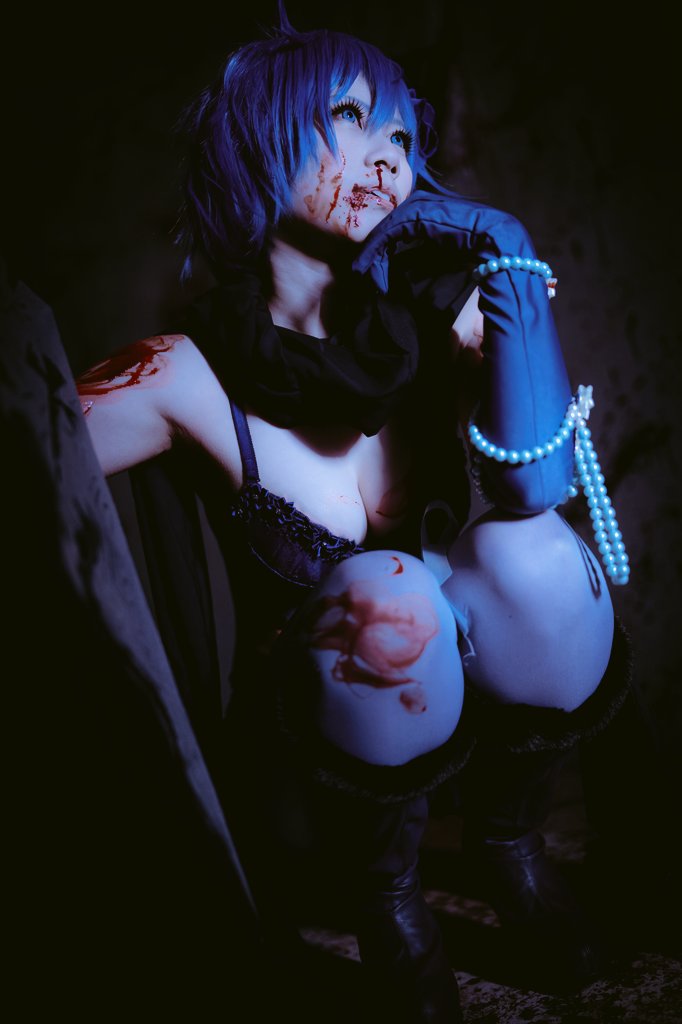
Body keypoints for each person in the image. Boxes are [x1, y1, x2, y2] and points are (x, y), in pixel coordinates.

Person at [74, 9, 633, 1022]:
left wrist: (504, 247)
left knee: (539, 555)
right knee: (386, 592)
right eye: (349, 117)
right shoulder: (185, 372)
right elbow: (30, 445)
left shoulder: (437, 327)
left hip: (470, 720)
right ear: (258, 137)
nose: (387, 156)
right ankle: (391, 908)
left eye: (403, 136)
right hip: (313, 760)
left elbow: (537, 488)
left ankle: (513, 850)